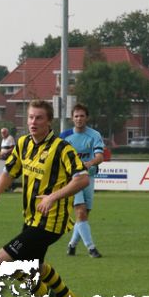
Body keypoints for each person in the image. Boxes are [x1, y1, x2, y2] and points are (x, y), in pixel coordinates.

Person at [0, 100, 89, 297]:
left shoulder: (61, 148)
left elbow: (82, 179)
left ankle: (41, 294)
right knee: (35, 266)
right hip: (31, 218)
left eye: (39, 118)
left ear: (49, 121)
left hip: (51, 222)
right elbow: (9, 171)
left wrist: (52, 197)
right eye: (31, 117)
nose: (33, 122)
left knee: (2, 260)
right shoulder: (23, 143)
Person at [60, 103, 105, 258]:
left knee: (84, 215)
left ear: (87, 118)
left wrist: (89, 163)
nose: (79, 119)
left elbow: (100, 157)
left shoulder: (94, 135)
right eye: (76, 116)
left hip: (89, 177)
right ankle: (91, 248)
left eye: (82, 116)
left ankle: (72, 245)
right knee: (80, 212)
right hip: (72, 179)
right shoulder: (64, 136)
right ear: (72, 118)